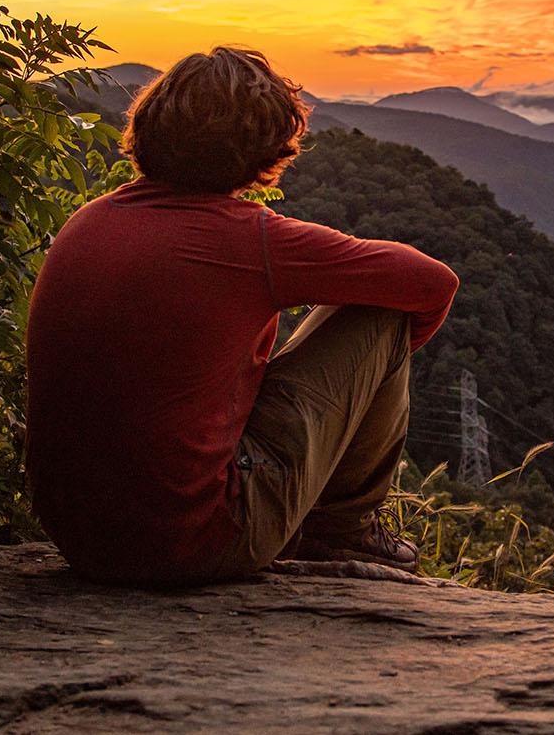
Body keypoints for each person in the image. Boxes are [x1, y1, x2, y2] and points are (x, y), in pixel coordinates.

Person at [23, 47, 459, 586]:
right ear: (263, 148)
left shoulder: (88, 222)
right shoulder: (248, 239)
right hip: (193, 541)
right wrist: (360, 390)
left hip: (80, 538)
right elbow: (433, 283)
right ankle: (341, 531)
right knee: (381, 318)